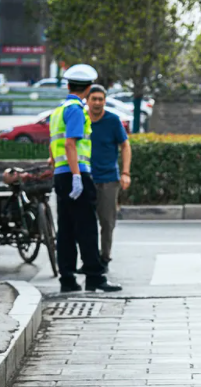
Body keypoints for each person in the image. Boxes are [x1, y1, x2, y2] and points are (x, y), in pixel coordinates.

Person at [48, 64, 121, 293]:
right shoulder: (76, 110)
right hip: (75, 173)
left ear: (68, 85)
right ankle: (94, 277)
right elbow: (71, 143)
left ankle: (67, 279)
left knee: (66, 229)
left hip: (61, 174)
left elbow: (53, 145)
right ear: (88, 89)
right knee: (87, 228)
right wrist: (78, 176)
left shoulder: (58, 110)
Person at [87, 84, 131, 267]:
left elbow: (125, 146)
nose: (97, 103)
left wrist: (125, 172)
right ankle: (89, 259)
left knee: (107, 222)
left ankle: (104, 257)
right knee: (86, 223)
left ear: (105, 101)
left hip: (108, 179)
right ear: (87, 101)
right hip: (85, 178)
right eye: (94, 99)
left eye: (100, 99)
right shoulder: (81, 120)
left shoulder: (113, 121)